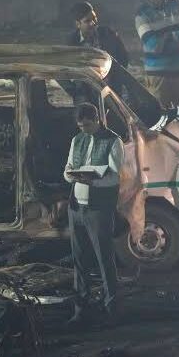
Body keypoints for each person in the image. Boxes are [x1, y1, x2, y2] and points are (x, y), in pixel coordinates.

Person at [63, 103, 123, 325]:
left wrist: (93, 182)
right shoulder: (77, 140)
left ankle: (111, 311)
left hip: (98, 209)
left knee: (104, 259)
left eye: (87, 125)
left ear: (97, 120)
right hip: (76, 208)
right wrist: (71, 175)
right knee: (79, 261)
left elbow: (115, 177)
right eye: (80, 126)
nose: (84, 130)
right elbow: (68, 168)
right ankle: (81, 310)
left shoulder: (113, 141)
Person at [68, 2, 129, 94]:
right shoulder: (72, 42)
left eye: (94, 18)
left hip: (112, 88)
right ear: (78, 24)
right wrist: (77, 92)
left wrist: (116, 79)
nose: (93, 23)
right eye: (87, 21)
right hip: (86, 92)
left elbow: (123, 58)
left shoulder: (108, 34)